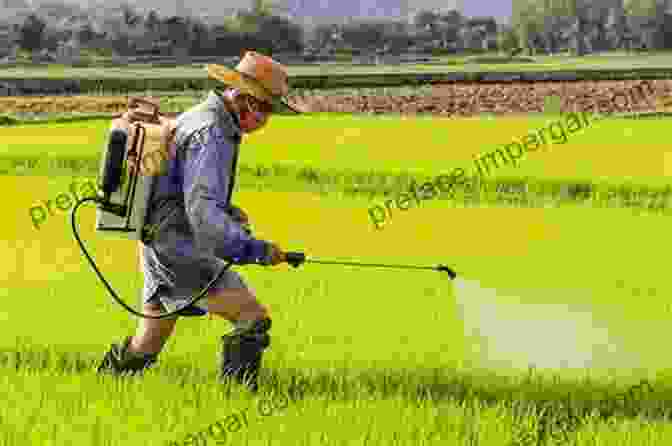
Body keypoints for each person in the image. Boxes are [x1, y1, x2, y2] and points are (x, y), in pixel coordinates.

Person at [97, 51, 304, 392]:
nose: (266, 120)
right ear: (241, 98)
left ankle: (104, 388)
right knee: (252, 319)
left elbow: (186, 187)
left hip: (157, 238)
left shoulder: (198, 116)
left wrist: (231, 214)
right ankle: (237, 400)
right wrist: (255, 249)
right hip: (179, 244)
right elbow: (203, 214)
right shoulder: (213, 134)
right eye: (264, 109)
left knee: (147, 342)